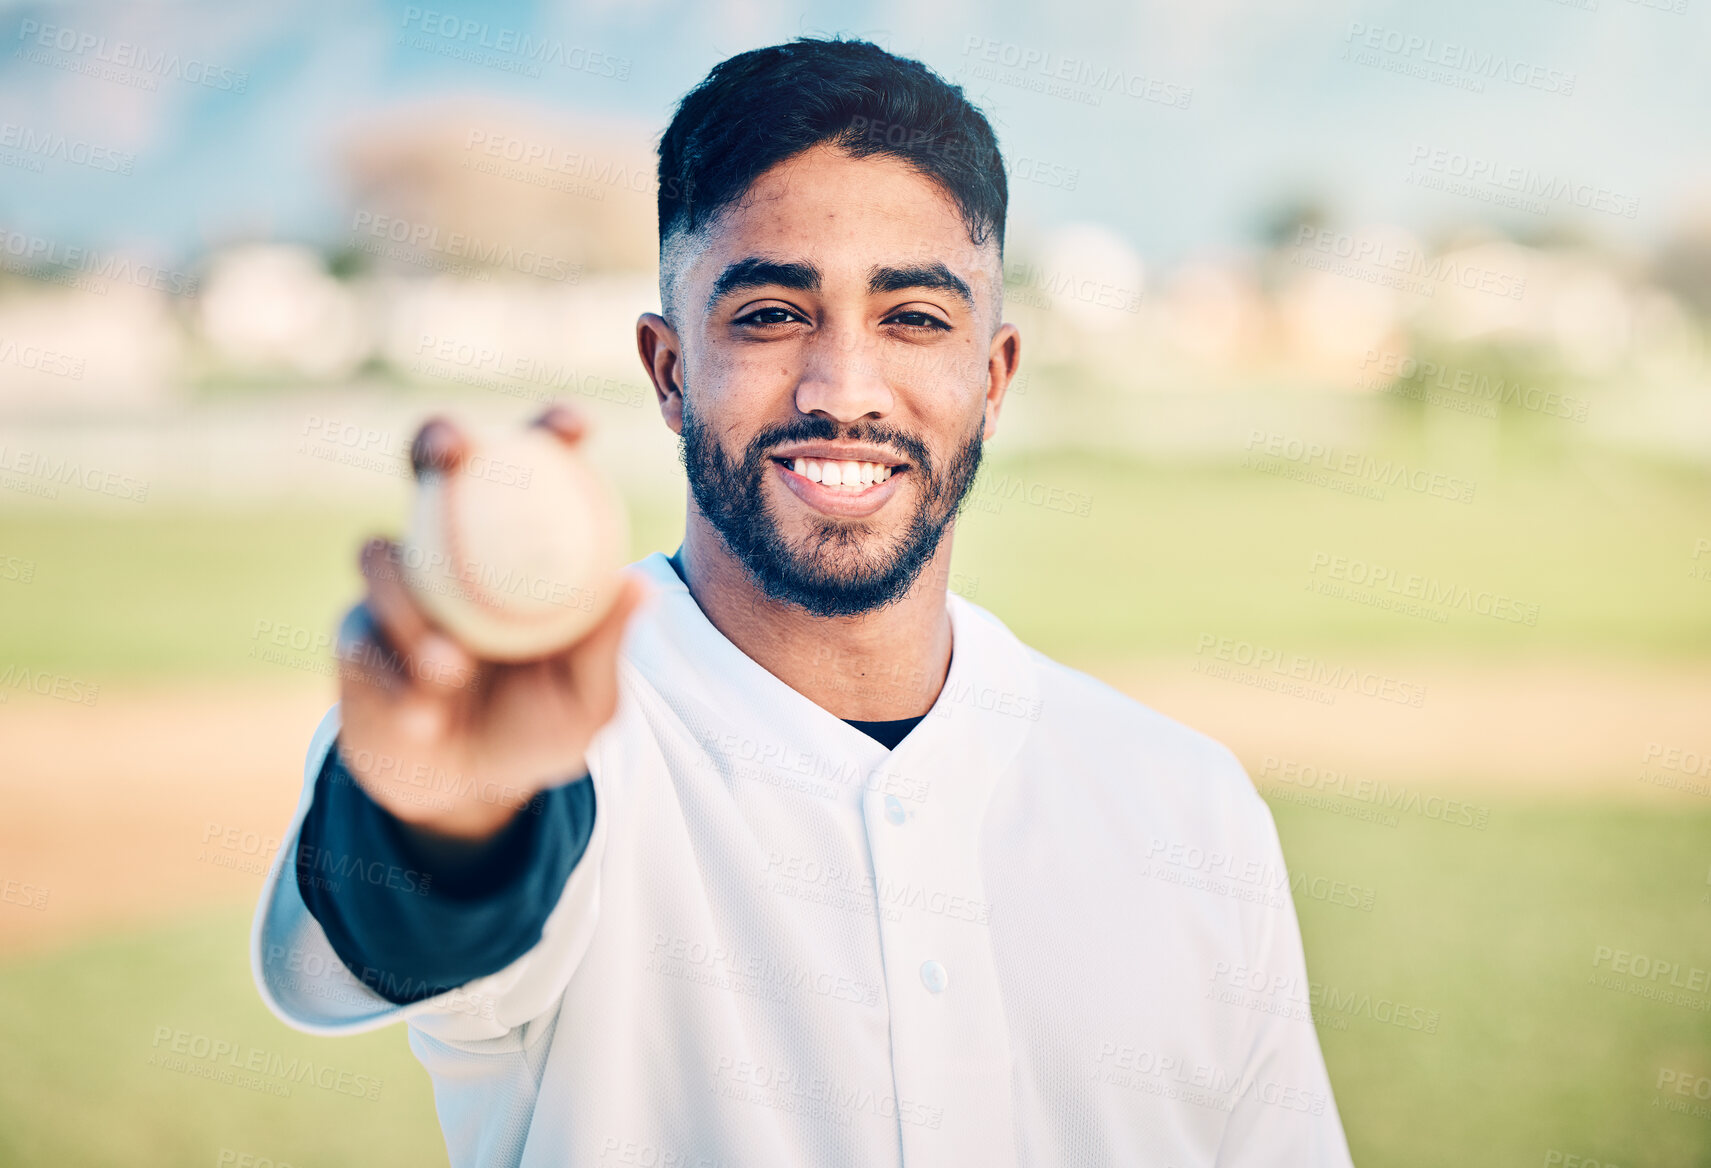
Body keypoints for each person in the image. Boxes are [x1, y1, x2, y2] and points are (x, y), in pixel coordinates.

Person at [253, 37, 1354, 1168]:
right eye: (773, 314)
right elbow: (432, 915)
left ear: (994, 375)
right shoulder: (545, 742)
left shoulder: (1186, 806)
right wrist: (445, 818)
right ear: (670, 372)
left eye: (914, 318)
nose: (843, 390)